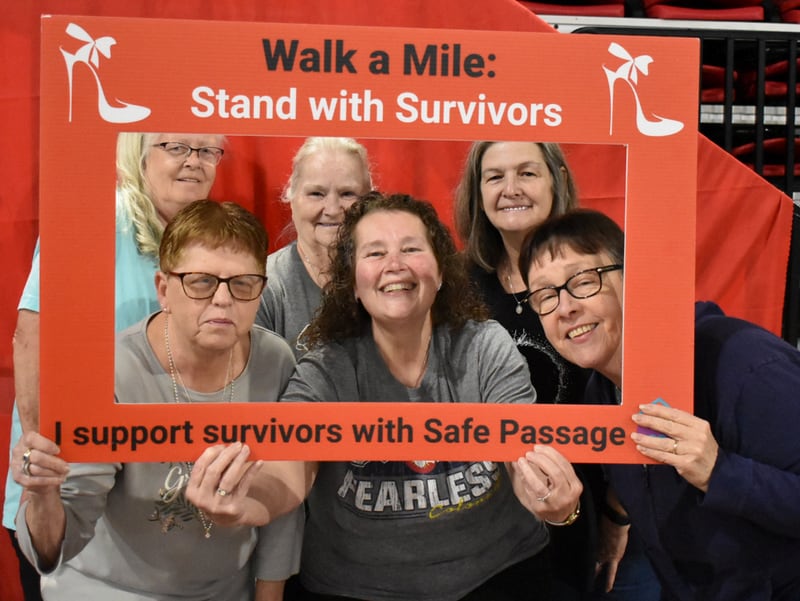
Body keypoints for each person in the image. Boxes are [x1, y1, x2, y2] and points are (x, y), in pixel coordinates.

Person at [277, 191, 583, 600]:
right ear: (352, 283)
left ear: (440, 273)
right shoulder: (327, 367)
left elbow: (522, 452)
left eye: (411, 249)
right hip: (354, 588)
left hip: (499, 574)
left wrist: (550, 499)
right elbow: (288, 465)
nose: (395, 264)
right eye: (375, 253)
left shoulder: (485, 346)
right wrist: (251, 498)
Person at [11, 200, 307, 600]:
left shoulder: (276, 361)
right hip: (107, 586)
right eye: (200, 282)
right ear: (164, 290)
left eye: (243, 284)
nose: (223, 299)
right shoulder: (107, 373)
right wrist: (43, 494)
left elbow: (283, 498)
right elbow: (54, 548)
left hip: (223, 588)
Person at [519, 208, 800, 601]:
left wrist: (720, 472)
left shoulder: (742, 362)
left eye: (583, 281)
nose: (565, 308)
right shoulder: (601, 392)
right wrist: (604, 519)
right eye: (546, 296)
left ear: (634, 279)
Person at [3, 132, 228, 601]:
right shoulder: (92, 218)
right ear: (139, 154)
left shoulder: (211, 237)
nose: (194, 161)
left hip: (155, 495)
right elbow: (31, 337)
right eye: (177, 147)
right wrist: (41, 458)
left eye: (208, 150)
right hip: (71, 481)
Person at [454, 141, 658, 600]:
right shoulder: (456, 284)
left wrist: (617, 515)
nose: (510, 189)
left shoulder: (604, 270)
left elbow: (643, 391)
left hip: (608, 503)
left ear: (557, 180)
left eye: (527, 173)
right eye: (494, 177)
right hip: (496, 521)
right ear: (477, 192)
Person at [257, 136, 372, 356]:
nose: (332, 209)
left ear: (369, 200)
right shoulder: (264, 286)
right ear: (291, 198)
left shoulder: (387, 277)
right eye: (316, 194)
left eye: (347, 194)